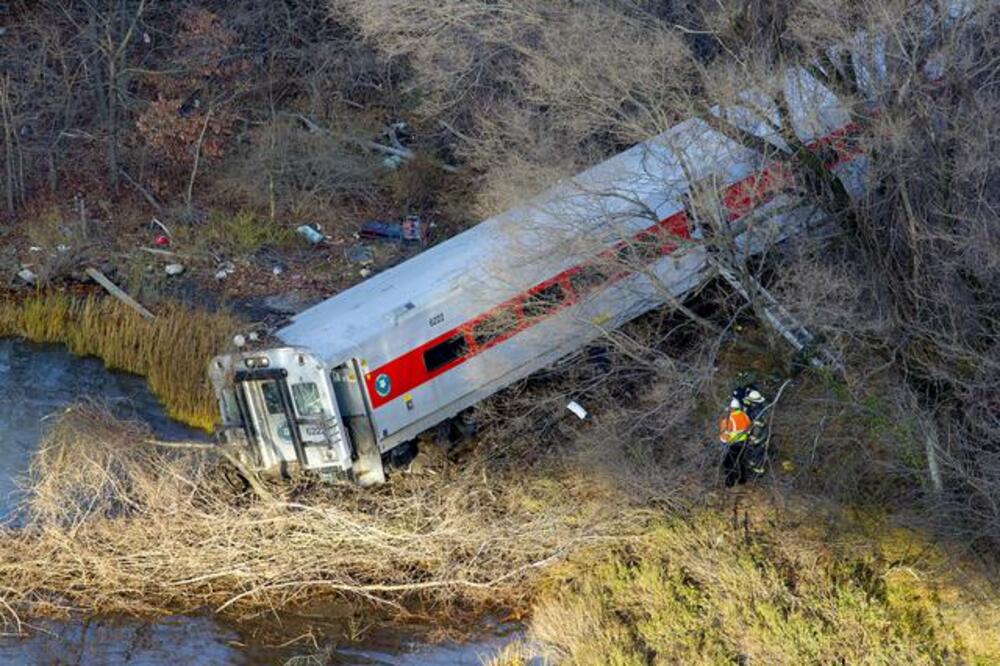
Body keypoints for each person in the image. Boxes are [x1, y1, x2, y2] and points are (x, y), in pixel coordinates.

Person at [718, 384, 769, 486]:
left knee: (730, 462)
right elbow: (749, 427)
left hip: (734, 444)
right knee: (743, 461)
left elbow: (724, 437)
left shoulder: (728, 420)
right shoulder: (746, 415)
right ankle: (744, 479)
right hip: (746, 442)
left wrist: (723, 445)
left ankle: (730, 482)